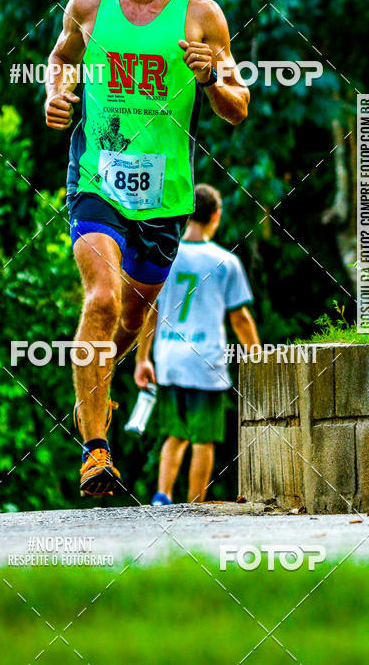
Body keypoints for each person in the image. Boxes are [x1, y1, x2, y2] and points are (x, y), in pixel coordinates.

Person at [44, 0, 250, 497]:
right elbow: (60, 60)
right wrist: (55, 94)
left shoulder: (202, 17)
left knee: (132, 318)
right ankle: (95, 449)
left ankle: (97, 399)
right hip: (97, 182)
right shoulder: (86, 8)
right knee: (102, 299)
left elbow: (238, 107)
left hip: (165, 199)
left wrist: (210, 77)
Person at [134, 183, 260, 505]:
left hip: (169, 358)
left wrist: (142, 359)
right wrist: (256, 355)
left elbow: (151, 313)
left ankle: (162, 496)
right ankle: (195, 504)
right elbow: (240, 319)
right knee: (204, 440)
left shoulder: (166, 256)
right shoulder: (225, 262)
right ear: (216, 216)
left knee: (174, 434)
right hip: (206, 362)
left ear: (188, 213)